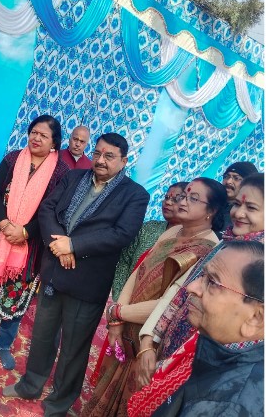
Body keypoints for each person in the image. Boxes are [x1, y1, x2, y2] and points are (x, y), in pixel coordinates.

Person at [2, 133, 150, 416]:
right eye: (98, 153)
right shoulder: (74, 177)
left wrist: (74, 245)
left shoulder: (135, 194)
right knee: (42, 335)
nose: (101, 160)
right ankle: (30, 385)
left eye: (109, 156)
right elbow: (47, 209)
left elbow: (121, 234)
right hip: (55, 272)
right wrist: (60, 246)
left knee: (74, 347)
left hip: (87, 283)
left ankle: (59, 403)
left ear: (124, 161)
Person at [81, 177, 226, 417]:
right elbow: (139, 271)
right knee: (107, 386)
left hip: (151, 338)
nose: (182, 202)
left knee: (130, 401)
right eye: (184, 195)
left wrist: (118, 312)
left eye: (193, 198)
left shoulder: (207, 250)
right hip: (126, 326)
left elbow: (171, 304)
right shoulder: (174, 230)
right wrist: (117, 319)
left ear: (212, 210)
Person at [129, 173, 264, 416]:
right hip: (173, 349)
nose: (239, 213)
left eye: (251, 207)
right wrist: (149, 341)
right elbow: (180, 292)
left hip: (210, 368)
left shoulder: (257, 266)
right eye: (237, 204)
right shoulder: (227, 245)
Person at [0, 114, 69, 370]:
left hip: (31, 249)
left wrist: (26, 232)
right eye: (33, 132)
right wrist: (5, 224)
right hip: (3, 240)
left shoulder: (61, 172)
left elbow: (54, 210)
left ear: (54, 142)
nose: (36, 138)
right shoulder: (13, 159)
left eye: (43, 135)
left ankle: (4, 345)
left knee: (16, 297)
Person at [152, 241, 264, 416]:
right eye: (202, 276)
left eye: (212, 282)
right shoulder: (224, 360)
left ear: (256, 318)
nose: (191, 287)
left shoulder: (230, 406)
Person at [111, 181, 188, 301]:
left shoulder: (190, 240)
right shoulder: (149, 227)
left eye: (175, 199)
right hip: (123, 299)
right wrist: (118, 299)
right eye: (166, 197)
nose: (168, 202)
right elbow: (125, 261)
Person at [221, 161, 258, 229]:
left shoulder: (247, 214)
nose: (228, 181)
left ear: (248, 184)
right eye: (226, 176)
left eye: (236, 178)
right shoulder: (212, 201)